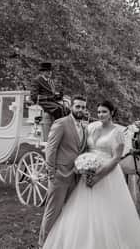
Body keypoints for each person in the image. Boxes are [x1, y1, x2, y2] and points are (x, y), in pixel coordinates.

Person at [42, 100, 140, 249]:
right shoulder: (91, 128)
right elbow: (83, 149)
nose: (101, 115)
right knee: (79, 209)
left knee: (105, 211)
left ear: (111, 113)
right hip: (85, 174)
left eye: (104, 112)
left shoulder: (118, 132)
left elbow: (116, 158)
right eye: (98, 112)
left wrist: (98, 176)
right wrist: (83, 167)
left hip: (107, 175)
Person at [38, 96, 88, 247]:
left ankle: (59, 242)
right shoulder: (61, 123)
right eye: (77, 106)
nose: (80, 110)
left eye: (83, 107)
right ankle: (43, 244)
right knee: (52, 212)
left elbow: (81, 149)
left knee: (67, 212)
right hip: (60, 175)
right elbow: (51, 148)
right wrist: (51, 172)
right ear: (71, 107)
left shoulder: (84, 128)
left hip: (75, 176)